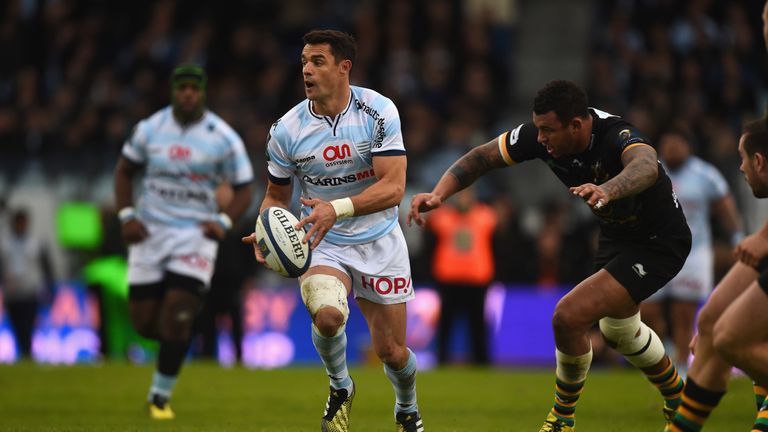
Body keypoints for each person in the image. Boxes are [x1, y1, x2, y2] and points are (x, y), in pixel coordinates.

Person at [408, 80, 691, 432]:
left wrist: (607, 188)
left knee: (568, 317)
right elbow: (482, 157)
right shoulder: (540, 136)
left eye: (548, 130)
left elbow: (646, 167)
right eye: (538, 128)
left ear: (577, 125)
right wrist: (439, 194)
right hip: (618, 237)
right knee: (619, 331)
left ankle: (561, 419)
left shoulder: (617, 134)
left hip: (659, 241)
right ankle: (679, 396)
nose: (540, 139)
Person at [242, 30, 424, 432]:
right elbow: (275, 195)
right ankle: (340, 386)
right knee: (327, 316)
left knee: (392, 352)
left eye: (318, 61)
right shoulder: (286, 130)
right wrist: (266, 226)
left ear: (344, 68)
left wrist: (335, 209)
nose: (306, 69)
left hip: (379, 238)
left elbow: (394, 188)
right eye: (304, 61)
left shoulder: (378, 111)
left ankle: (407, 408)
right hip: (324, 242)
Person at [114, 64, 254, 419]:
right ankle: (177, 334)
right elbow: (124, 171)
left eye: (194, 88)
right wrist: (127, 216)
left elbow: (244, 187)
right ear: (173, 91)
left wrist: (223, 221)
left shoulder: (222, 136)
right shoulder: (150, 129)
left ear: (203, 92)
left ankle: (159, 397)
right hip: (150, 233)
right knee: (145, 323)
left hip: (196, 235)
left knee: (177, 313)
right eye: (182, 88)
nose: (188, 94)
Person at [669, 119, 768, 432]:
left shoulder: (704, 175)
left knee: (729, 339)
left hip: (695, 254)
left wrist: (763, 239)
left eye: (742, 158)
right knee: (711, 322)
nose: (740, 167)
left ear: (760, 161)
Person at [640, 130, 743, 377]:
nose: (671, 149)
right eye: (667, 144)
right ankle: (668, 349)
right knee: (647, 311)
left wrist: (737, 237)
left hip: (693, 253)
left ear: (687, 146)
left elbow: (725, 206)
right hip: (657, 251)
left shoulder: (705, 174)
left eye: (676, 144)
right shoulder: (650, 171)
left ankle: (682, 369)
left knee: (683, 313)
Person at [425, 186, 496, 365]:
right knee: (446, 322)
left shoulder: (485, 215)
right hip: (449, 277)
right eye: (460, 196)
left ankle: (481, 360)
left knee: (477, 323)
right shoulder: (443, 216)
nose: (463, 199)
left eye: (467, 195)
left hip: (476, 278)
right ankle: (442, 359)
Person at [0, 208, 53, 358]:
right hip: (12, 293)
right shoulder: (5, 244)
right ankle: (22, 353)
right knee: (17, 326)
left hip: (30, 292)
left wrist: (50, 288)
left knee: (29, 326)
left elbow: (46, 267)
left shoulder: (35, 242)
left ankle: (28, 353)